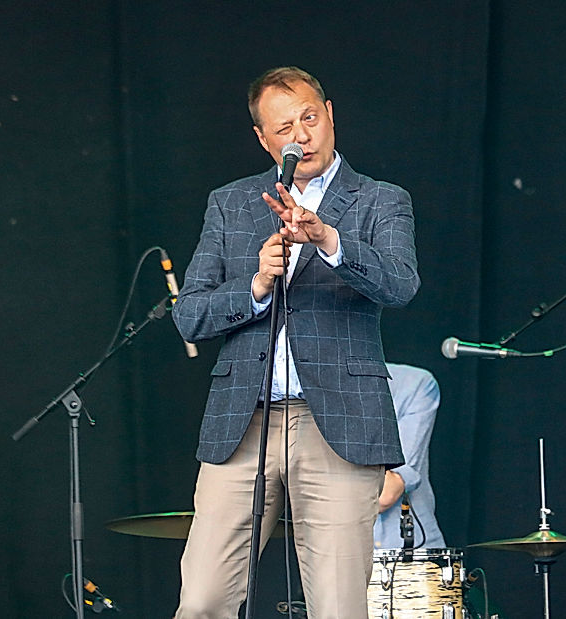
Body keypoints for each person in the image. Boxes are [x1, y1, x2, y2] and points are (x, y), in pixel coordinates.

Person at [172, 66, 419, 618]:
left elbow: (401, 283)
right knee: (203, 600)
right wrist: (256, 285)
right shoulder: (232, 203)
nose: (300, 136)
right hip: (244, 420)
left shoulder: (379, 199)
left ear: (330, 115)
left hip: (337, 423)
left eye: (309, 117)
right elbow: (189, 315)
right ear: (264, 139)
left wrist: (329, 239)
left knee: (336, 606)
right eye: (284, 127)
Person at [374, 363, 445, 550]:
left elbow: (385, 493)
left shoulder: (413, 383)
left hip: (411, 557)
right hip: (338, 557)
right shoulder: (301, 390)